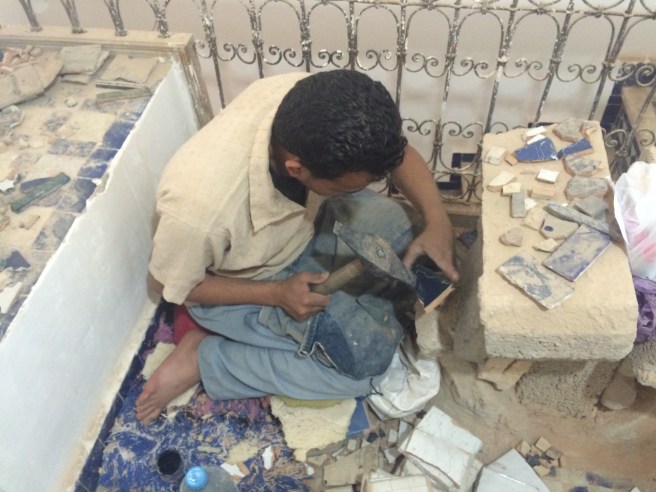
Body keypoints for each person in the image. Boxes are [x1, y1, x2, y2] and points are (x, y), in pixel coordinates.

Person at [136, 70, 458, 425]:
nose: (358, 191)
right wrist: (275, 294)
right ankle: (207, 358)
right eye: (349, 187)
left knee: (412, 234)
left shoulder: (311, 99)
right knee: (358, 370)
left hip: (310, 222)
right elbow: (169, 286)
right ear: (297, 168)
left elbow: (396, 154)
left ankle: (352, 300)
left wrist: (438, 221)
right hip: (249, 279)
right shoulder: (199, 211)